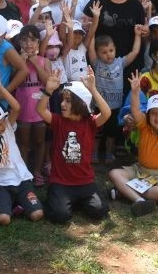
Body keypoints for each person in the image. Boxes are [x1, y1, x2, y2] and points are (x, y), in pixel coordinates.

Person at [37, 68, 111, 224]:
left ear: (81, 103)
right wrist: (48, 90)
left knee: (99, 211)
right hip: (61, 182)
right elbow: (41, 110)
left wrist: (93, 89)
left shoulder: (90, 123)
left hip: (85, 182)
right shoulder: (58, 121)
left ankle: (74, 201)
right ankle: (64, 200)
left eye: (68, 100)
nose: (62, 104)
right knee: (60, 216)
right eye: (62, 99)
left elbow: (106, 113)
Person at [109, 69, 158, 217]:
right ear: (148, 114)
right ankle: (138, 200)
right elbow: (135, 110)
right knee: (114, 174)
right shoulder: (144, 126)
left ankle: (124, 192)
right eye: (154, 113)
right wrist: (135, 92)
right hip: (140, 171)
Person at [0, 69, 44, 225]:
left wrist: (0, 88)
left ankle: (15, 203)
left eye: (3, 121)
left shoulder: (8, 128)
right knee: (3, 220)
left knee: (37, 214)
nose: (2, 126)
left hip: (22, 179)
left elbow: (16, 107)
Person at [87, 0, 143, 163]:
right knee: (97, 130)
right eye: (104, 52)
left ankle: (110, 152)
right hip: (98, 105)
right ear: (98, 53)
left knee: (112, 132)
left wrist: (138, 35)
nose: (109, 54)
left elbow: (135, 51)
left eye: (111, 50)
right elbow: (90, 45)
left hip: (115, 105)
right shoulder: (96, 63)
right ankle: (95, 153)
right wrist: (94, 23)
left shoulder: (120, 62)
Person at [83, 0, 147, 87]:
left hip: (129, 63)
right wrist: (85, 25)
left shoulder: (136, 5)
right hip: (101, 65)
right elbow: (85, 26)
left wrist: (145, 30)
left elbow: (141, 30)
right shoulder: (97, 1)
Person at [14, 24, 51, 185]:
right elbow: (15, 82)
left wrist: (35, 63)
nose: (29, 44)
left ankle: (37, 170)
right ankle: (24, 171)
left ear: (38, 42)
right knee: (23, 142)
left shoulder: (44, 61)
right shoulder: (15, 60)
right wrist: (22, 63)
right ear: (19, 42)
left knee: (39, 141)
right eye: (25, 40)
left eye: (33, 40)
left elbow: (48, 82)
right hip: (22, 110)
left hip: (40, 111)